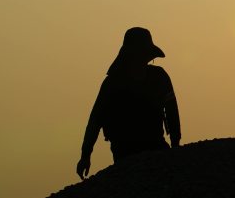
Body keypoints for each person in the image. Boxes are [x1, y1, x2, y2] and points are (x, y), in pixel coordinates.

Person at [76, 27, 181, 180]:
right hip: (124, 151)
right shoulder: (112, 83)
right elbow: (96, 119)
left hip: (156, 147)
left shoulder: (159, 77)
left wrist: (175, 146)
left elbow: (172, 112)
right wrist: (85, 155)